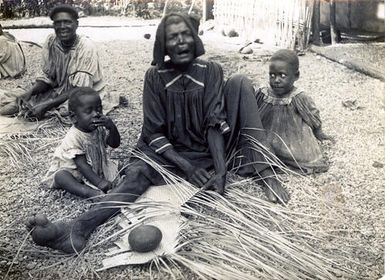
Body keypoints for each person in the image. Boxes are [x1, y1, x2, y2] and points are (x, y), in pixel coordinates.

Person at [26, 13, 289, 254]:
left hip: (204, 150)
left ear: (194, 39)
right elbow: (153, 132)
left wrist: (220, 171)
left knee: (241, 82)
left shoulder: (211, 71)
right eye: (173, 37)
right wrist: (186, 166)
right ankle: (79, 228)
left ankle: (263, 170)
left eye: (186, 34)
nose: (181, 41)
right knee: (137, 177)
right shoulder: (154, 77)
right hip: (167, 153)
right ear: (163, 44)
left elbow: (213, 124)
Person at [16, 4, 105, 120]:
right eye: (58, 23)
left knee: (71, 111)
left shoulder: (86, 47)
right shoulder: (51, 42)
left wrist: (47, 105)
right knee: (21, 103)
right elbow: (48, 78)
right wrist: (30, 92)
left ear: (76, 24)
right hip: (59, 90)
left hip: (85, 92)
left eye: (67, 22)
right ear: (53, 25)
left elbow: (80, 89)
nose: (62, 26)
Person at [255, 49, 333, 173]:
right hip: (268, 137)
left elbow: (312, 115)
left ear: (296, 76)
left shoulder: (298, 97)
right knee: (260, 151)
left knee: (301, 155)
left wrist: (318, 132)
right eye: (272, 75)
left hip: (292, 140)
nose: (276, 80)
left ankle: (285, 159)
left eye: (282, 75)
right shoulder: (263, 93)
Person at [42, 87, 120, 198]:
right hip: (75, 170)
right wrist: (100, 183)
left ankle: (96, 179)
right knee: (61, 176)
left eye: (99, 109)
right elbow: (82, 165)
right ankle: (89, 192)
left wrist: (112, 128)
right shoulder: (74, 136)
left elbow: (114, 144)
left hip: (94, 166)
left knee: (117, 165)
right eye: (89, 111)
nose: (96, 114)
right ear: (74, 117)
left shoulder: (99, 127)